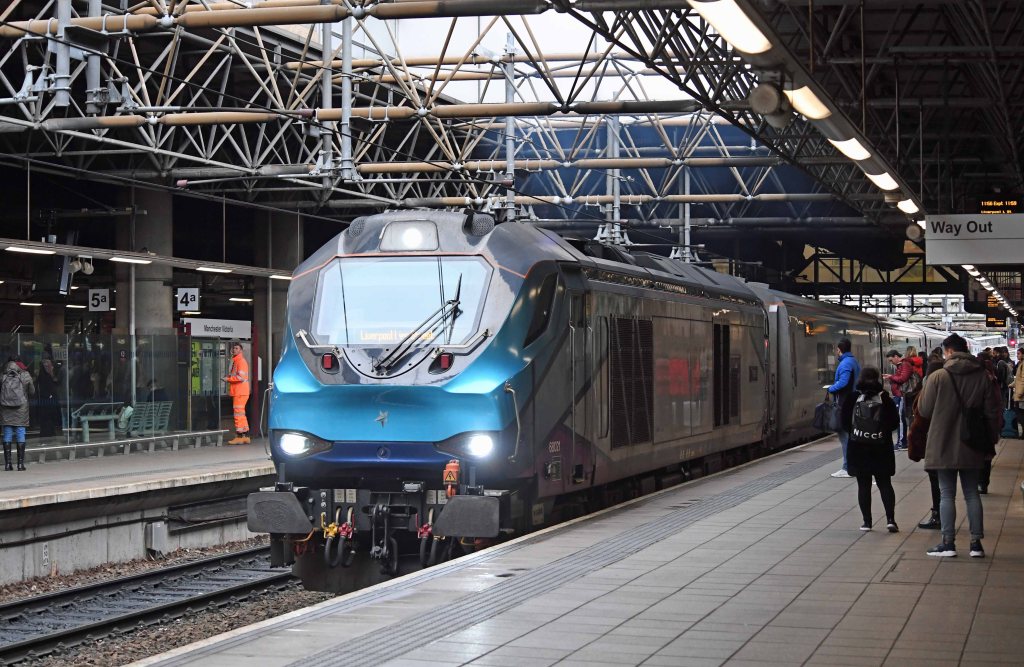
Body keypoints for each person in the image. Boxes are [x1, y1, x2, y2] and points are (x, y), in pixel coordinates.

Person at [917, 333, 999, 558]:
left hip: (943, 442)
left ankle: (948, 543)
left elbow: (924, 410)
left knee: (946, 494)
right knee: (972, 493)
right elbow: (992, 412)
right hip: (973, 442)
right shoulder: (983, 376)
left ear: (949, 351)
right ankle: (976, 544)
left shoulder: (938, 376)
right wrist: (991, 440)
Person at [842, 367, 900, 532]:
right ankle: (891, 520)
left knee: (863, 486)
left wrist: (859, 433)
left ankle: (867, 522)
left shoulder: (853, 398)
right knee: (885, 484)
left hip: (859, 449)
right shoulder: (885, 398)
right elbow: (894, 423)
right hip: (881, 448)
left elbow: (844, 423)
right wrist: (880, 432)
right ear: (877, 379)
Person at [915, 351, 947, 530]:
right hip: (958, 442)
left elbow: (922, 414)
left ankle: (938, 517)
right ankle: (975, 539)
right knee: (961, 489)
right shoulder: (954, 385)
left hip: (935, 440)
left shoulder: (929, 387)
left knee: (937, 482)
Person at [828, 338, 861, 478]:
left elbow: (843, 382)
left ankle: (847, 467)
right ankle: (853, 465)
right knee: (851, 436)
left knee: (844, 435)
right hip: (852, 401)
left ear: (839, 350)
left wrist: (831, 388)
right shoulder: (853, 361)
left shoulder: (846, 363)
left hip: (845, 403)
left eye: (836, 350)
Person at [1, 356, 34, 471]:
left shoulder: (2, 376)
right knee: (20, 433)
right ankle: (20, 465)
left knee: (7, 434)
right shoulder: (25, 375)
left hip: (5, 409)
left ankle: (8, 464)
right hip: (21, 409)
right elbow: (32, 391)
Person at [883, 348, 920, 451]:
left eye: (891, 360)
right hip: (900, 395)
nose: (891, 363)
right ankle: (903, 442)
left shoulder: (905, 364)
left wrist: (891, 377)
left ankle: (902, 443)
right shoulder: (901, 365)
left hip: (902, 395)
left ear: (896, 356)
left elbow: (903, 378)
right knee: (902, 418)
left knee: (901, 419)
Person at [223, 343, 251, 445]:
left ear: (241, 350)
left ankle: (239, 436)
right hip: (240, 391)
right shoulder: (237, 361)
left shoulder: (240, 361)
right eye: (233, 348)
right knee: (241, 414)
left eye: (236, 348)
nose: (234, 350)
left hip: (240, 391)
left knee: (238, 413)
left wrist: (228, 379)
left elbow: (240, 377)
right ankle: (245, 436)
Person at [36, 358, 61, 438]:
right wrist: (50, 396)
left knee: (47, 419)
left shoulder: (44, 375)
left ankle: (48, 432)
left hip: (46, 401)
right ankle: (48, 433)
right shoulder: (45, 376)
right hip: (48, 402)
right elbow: (49, 388)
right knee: (48, 419)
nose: (51, 367)